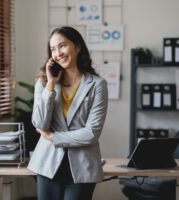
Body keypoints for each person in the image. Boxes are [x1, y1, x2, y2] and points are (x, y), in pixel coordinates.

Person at [27, 26, 108, 200]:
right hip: (48, 164)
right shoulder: (43, 82)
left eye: (62, 46)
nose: (58, 53)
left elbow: (91, 133)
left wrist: (52, 137)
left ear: (78, 47)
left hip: (83, 167)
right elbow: (40, 124)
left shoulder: (97, 85)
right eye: (53, 49)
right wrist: (50, 85)